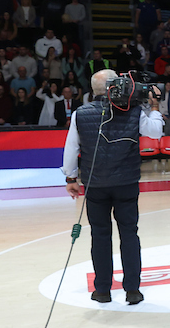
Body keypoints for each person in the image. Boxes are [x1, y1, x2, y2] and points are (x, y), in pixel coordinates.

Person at [62, 69, 164, 304]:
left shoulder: (80, 113)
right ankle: (132, 290)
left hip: (95, 185)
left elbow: (71, 150)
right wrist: (154, 107)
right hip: (126, 184)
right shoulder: (134, 111)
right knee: (129, 234)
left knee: (100, 236)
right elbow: (156, 131)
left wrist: (70, 179)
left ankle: (102, 290)